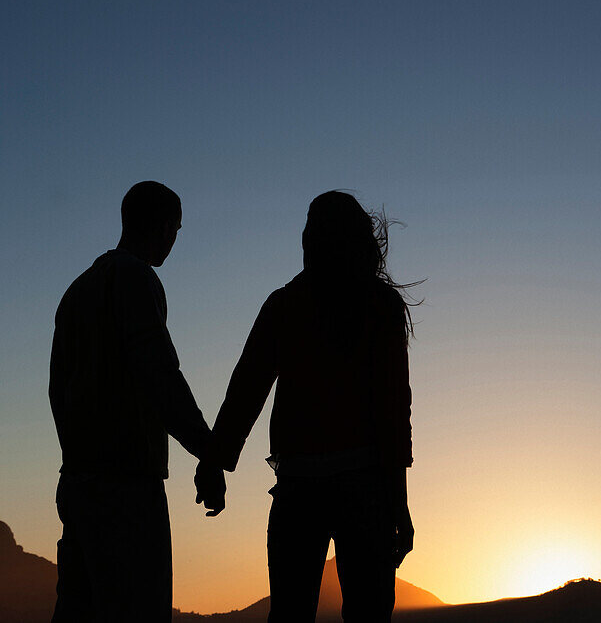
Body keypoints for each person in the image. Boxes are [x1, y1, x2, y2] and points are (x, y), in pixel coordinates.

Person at [196, 191, 416, 623]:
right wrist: (399, 504)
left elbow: (245, 391)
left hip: (300, 488)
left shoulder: (285, 305)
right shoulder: (380, 306)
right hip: (364, 489)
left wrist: (214, 462)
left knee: (291, 614)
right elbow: (394, 412)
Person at [49, 180, 225, 623]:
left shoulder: (76, 292)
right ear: (165, 227)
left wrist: (70, 467)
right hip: (126, 486)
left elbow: (57, 391)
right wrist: (209, 452)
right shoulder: (135, 278)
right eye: (177, 230)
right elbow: (159, 375)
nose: (175, 241)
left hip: (80, 486)